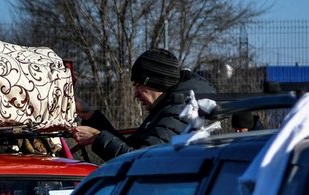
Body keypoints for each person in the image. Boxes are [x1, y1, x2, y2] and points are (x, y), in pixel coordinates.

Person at [72, 48, 216, 161]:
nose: (135, 94)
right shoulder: (167, 109)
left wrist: (97, 137)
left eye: (138, 85)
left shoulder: (180, 113)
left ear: (156, 83)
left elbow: (142, 162)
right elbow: (130, 148)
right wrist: (90, 115)